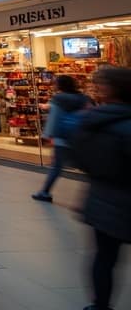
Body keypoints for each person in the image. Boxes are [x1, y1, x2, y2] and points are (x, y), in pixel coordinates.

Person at [69, 67, 131, 310]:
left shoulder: (90, 120)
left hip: (102, 198)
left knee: (104, 257)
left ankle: (100, 305)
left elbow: (78, 159)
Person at [32, 74, 92, 202]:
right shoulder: (83, 98)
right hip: (79, 137)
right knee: (87, 167)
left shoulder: (59, 99)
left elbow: (54, 119)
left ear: (60, 85)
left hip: (62, 138)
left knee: (56, 167)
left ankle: (44, 192)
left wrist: (47, 136)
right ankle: (95, 193)